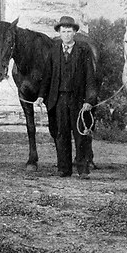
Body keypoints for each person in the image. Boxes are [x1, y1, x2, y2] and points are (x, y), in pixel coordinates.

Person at [36, 16, 98, 179]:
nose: (66, 35)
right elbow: (47, 76)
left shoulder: (83, 50)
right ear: (59, 32)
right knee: (61, 134)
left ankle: (83, 169)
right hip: (58, 100)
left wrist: (89, 101)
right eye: (63, 31)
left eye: (69, 31)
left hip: (78, 101)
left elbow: (90, 78)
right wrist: (42, 96)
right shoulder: (53, 51)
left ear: (75, 32)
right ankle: (64, 169)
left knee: (80, 135)